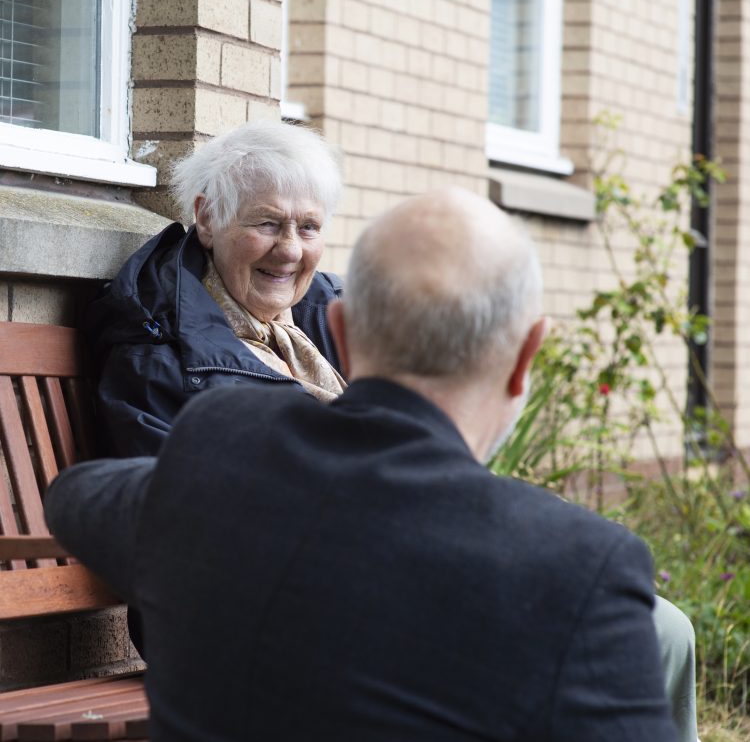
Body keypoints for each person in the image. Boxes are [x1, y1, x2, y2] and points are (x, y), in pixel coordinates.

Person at [47, 188, 680, 741]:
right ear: (526, 357)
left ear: (341, 334)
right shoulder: (584, 567)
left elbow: (76, 498)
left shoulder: (214, 454)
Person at [86, 119, 345, 458]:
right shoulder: (159, 360)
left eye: (309, 227)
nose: (291, 250)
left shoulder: (336, 314)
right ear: (207, 218)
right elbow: (187, 501)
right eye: (268, 223)